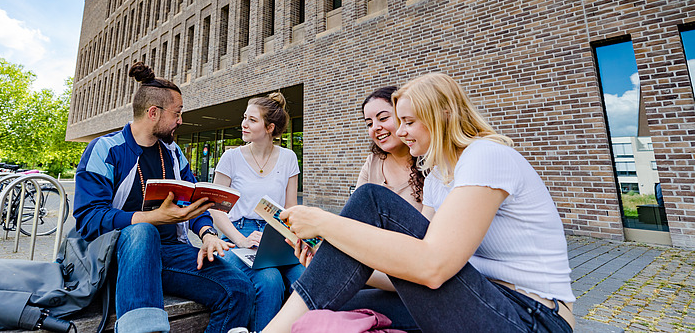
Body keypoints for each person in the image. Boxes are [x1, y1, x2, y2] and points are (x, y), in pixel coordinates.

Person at [263, 73, 576, 333]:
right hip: (479, 297)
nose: (400, 131)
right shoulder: (439, 176)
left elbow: (432, 267)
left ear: (443, 114)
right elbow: (409, 271)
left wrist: (324, 223)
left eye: (408, 122)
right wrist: (341, 259)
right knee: (332, 307)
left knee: (372, 201)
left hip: (533, 317)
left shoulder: (485, 155)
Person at [73, 62, 254, 333]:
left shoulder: (173, 154)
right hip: (114, 256)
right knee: (143, 231)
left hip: (169, 253)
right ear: (153, 113)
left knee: (238, 288)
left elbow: (193, 199)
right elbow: (88, 218)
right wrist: (152, 218)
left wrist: (207, 234)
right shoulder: (105, 149)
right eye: (177, 113)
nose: (181, 121)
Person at [210, 92, 305, 331]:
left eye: (252, 120)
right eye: (244, 117)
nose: (244, 124)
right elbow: (215, 209)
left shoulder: (288, 158)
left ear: (269, 127)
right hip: (239, 233)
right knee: (269, 280)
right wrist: (241, 240)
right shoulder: (231, 157)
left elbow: (290, 207)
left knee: (305, 276)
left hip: (276, 233)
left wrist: (297, 239)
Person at [358, 86, 423, 210]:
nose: (375, 127)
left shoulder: (432, 163)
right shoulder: (372, 162)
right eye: (369, 124)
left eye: (383, 118)